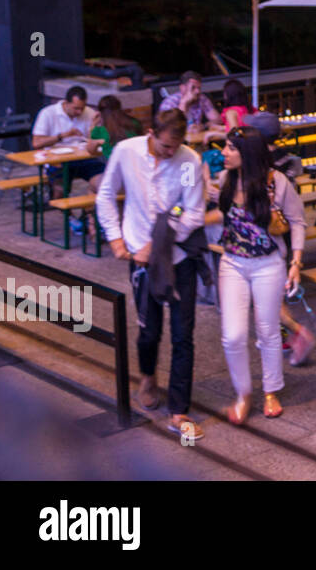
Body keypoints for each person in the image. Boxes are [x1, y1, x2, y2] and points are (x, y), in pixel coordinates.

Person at [96, 109, 208, 441]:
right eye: (165, 147)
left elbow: (192, 211)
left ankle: (179, 409)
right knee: (149, 329)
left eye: (177, 146)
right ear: (151, 133)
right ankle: (147, 374)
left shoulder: (188, 161)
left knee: (182, 333)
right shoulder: (126, 152)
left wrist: (158, 241)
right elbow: (105, 195)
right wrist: (116, 239)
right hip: (140, 258)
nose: (171, 153)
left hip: (178, 255)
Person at [215, 127, 305, 425]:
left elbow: (297, 222)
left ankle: (271, 390)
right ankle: (243, 393)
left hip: (268, 264)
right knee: (232, 336)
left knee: (267, 331)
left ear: (247, 153)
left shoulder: (276, 182)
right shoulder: (225, 179)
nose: (223, 153)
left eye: (230, 148)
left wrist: (296, 262)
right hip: (232, 263)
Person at [241, 110, 316, 365]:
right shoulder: (287, 159)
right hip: (278, 236)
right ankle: (283, 336)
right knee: (270, 296)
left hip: (267, 237)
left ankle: (297, 332)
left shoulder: (263, 165)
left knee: (267, 299)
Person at [32, 85, 104, 192]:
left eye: (82, 108)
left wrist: (94, 128)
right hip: (57, 160)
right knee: (60, 189)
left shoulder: (89, 113)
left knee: (103, 180)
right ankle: (60, 206)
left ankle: (89, 206)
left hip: (83, 159)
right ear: (66, 103)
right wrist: (62, 136)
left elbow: (97, 141)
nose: (79, 112)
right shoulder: (47, 113)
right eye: (76, 108)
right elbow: (36, 143)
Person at [89, 94, 142, 189]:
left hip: (118, 180)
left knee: (92, 184)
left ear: (100, 113)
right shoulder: (135, 123)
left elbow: (90, 150)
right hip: (139, 177)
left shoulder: (100, 131)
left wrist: (93, 125)